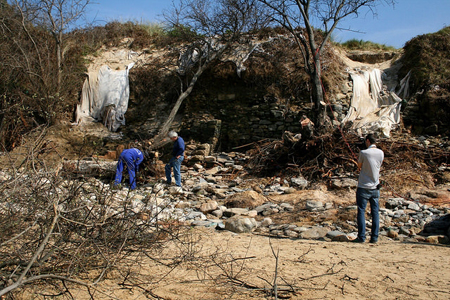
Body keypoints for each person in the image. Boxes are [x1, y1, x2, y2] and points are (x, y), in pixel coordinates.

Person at [354, 133, 384, 244]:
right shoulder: (381, 153)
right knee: (375, 212)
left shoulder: (363, 152)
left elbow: (359, 167)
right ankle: (374, 237)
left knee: (361, 211)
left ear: (367, 141)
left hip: (363, 186)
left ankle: (361, 237)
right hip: (375, 186)